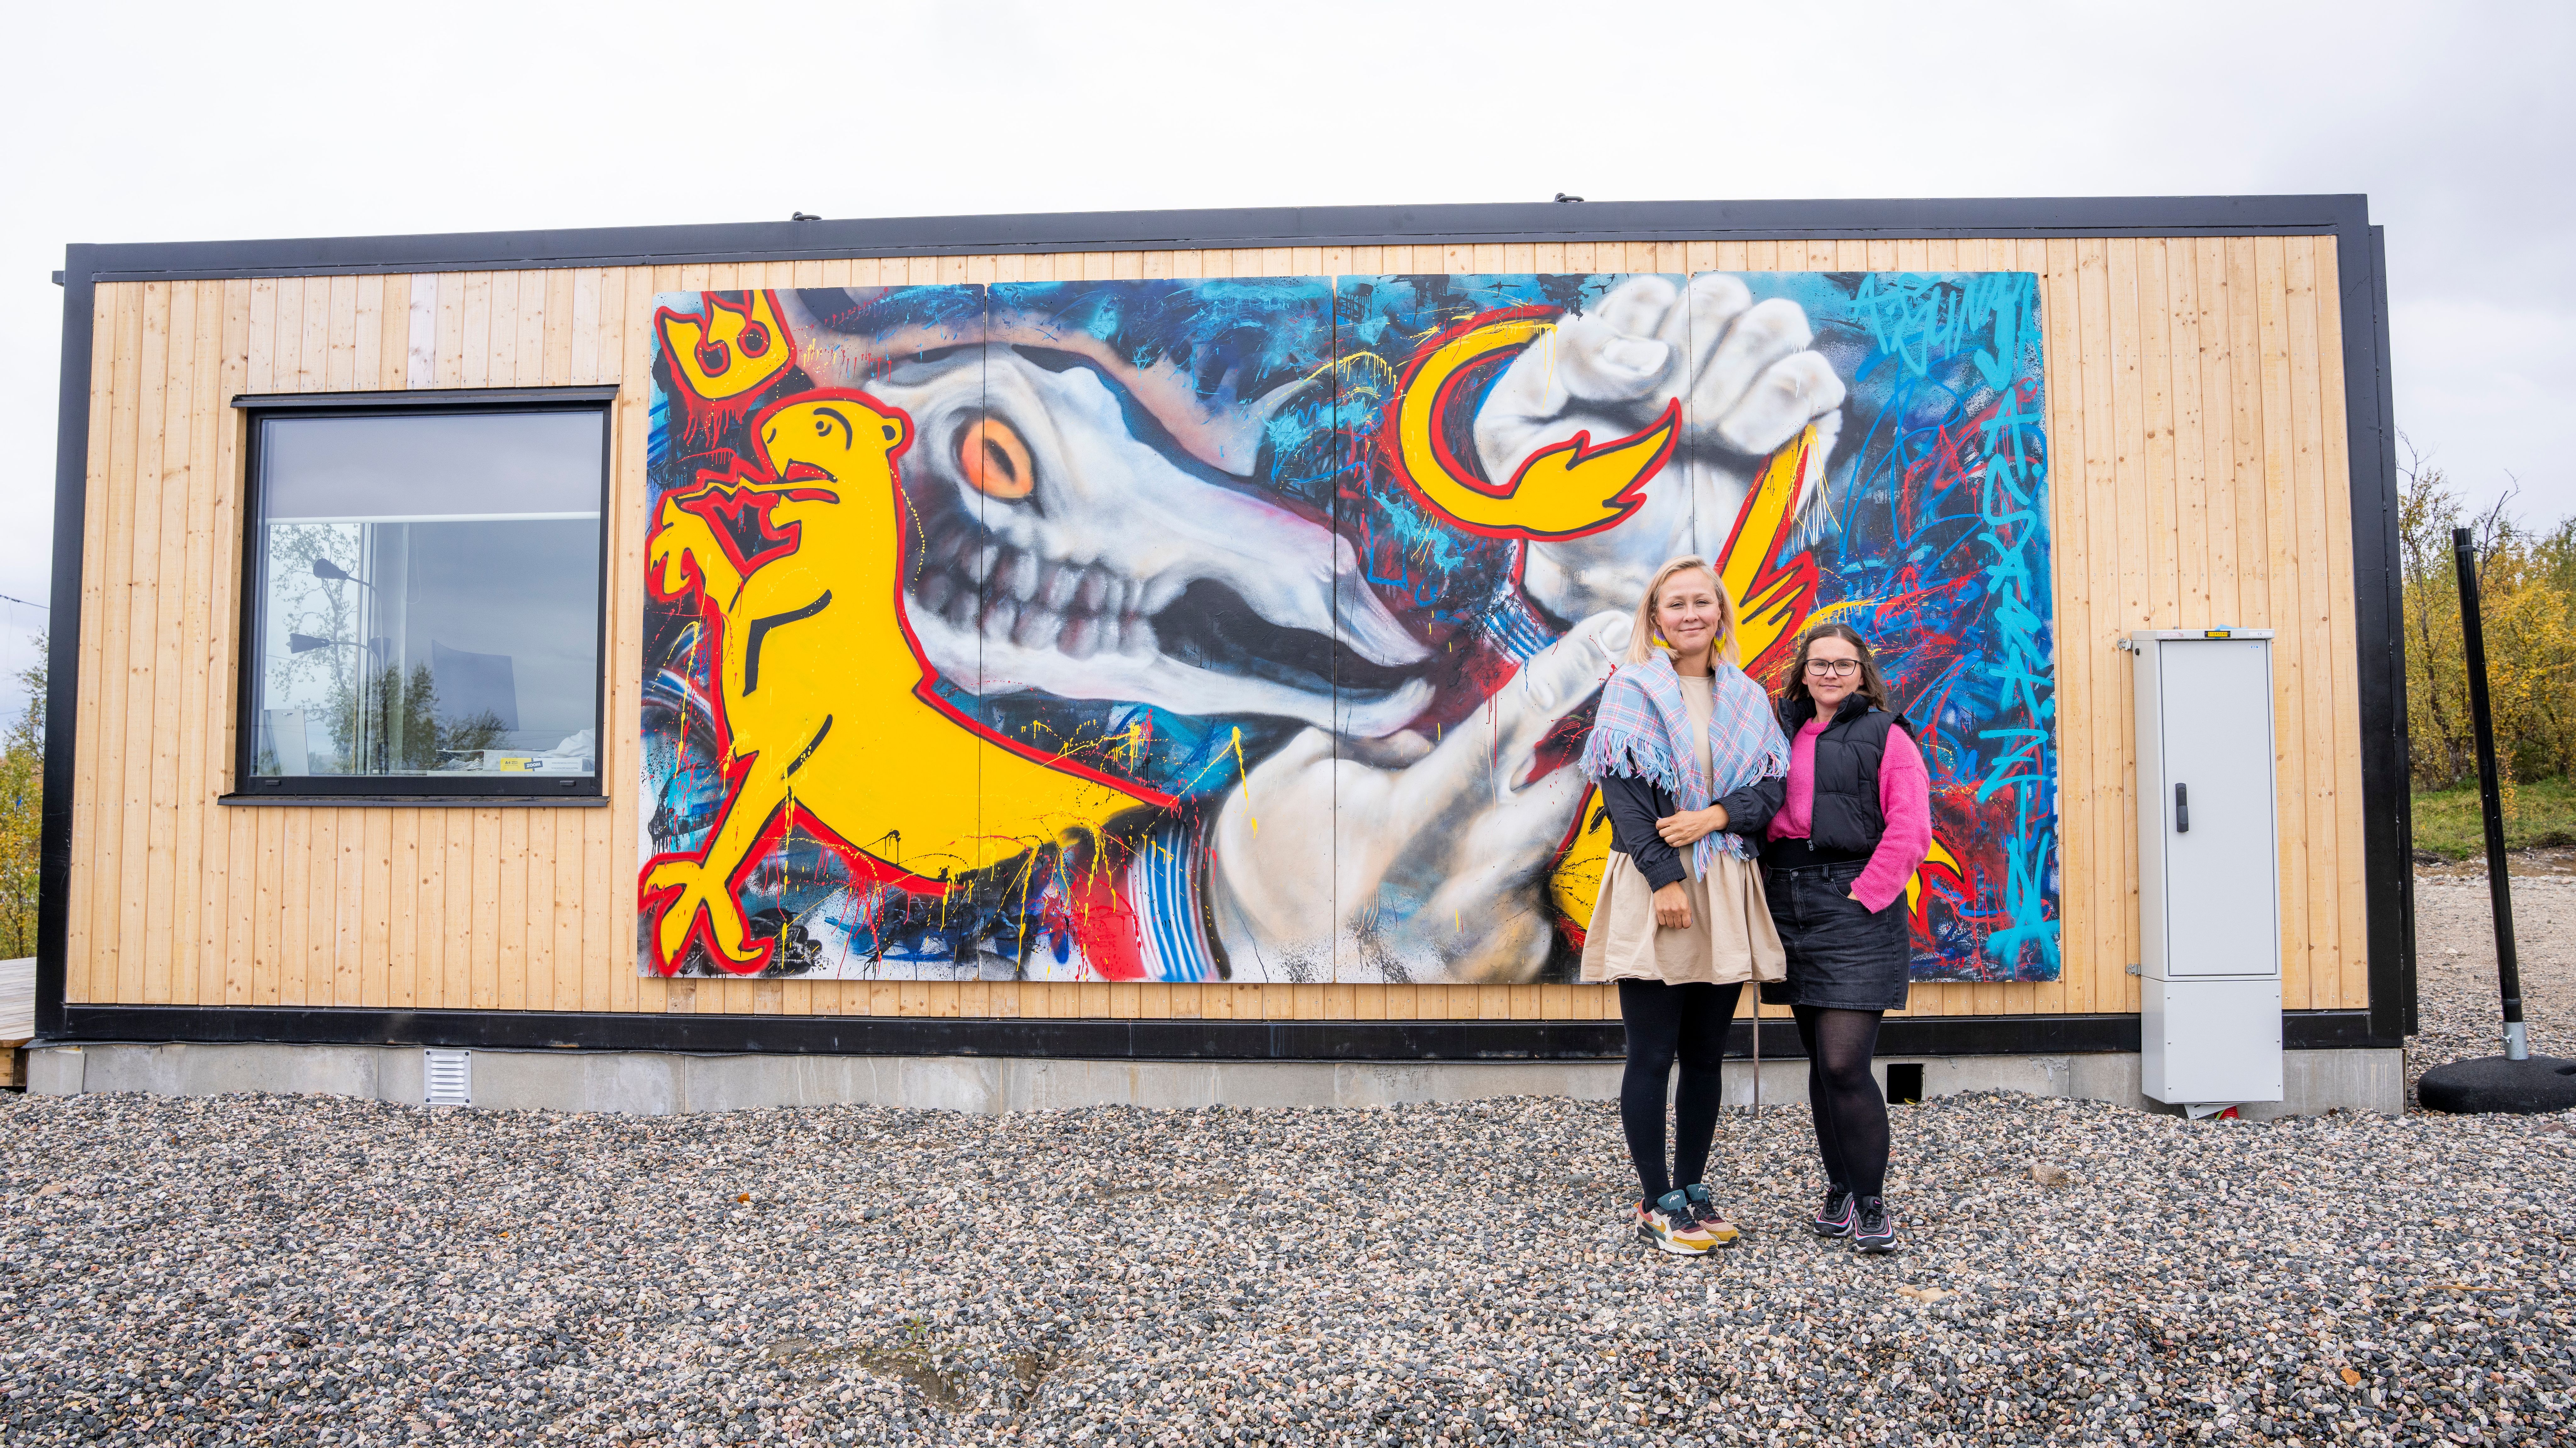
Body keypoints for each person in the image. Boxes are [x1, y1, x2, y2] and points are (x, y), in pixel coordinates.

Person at [1577, 557, 1790, 1256]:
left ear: (1720, 612)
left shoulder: (1748, 696)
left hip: (1724, 882)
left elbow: (1771, 791)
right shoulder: (1632, 690)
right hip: (1658, 885)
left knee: (1704, 1054)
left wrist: (1716, 816)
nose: (1691, 614)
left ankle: (1694, 1188)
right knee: (1652, 1052)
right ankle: (1656, 1198)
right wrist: (1665, 879)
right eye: (1677, 604)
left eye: (1703, 601)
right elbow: (1624, 798)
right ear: (1656, 617)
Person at [1761, 622, 1932, 1256]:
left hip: (1854, 904)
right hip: (1787, 903)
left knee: (1843, 1063)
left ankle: (1871, 1199)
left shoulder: (1887, 735)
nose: (1830, 673)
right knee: (1819, 1062)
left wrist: (1864, 896)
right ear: (1802, 673)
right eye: (1819, 663)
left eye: (1843, 663)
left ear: (1862, 672)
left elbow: (1911, 827)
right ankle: (1838, 1188)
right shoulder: (1779, 734)